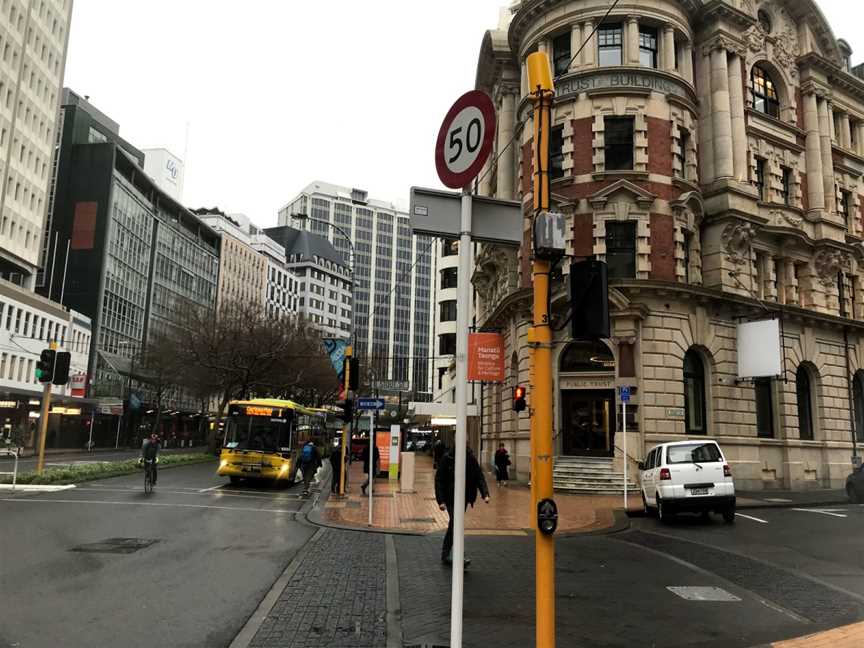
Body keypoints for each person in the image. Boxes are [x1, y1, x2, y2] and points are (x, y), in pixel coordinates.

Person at [434, 445, 490, 566]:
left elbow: (479, 476)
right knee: (456, 523)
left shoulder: (470, 458)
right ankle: (460, 555)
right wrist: (441, 501)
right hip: (450, 498)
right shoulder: (448, 458)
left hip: (464, 497)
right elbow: (439, 480)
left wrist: (485, 493)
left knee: (454, 524)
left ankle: (445, 553)